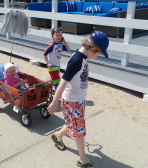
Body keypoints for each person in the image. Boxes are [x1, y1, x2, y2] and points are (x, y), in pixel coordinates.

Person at [47, 31, 109, 168]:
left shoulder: (82, 56)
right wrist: (54, 103)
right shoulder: (77, 60)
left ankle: (58, 135)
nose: (97, 57)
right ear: (93, 50)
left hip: (79, 99)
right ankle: (83, 159)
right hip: (71, 101)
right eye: (98, 54)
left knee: (74, 124)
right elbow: (62, 83)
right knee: (79, 130)